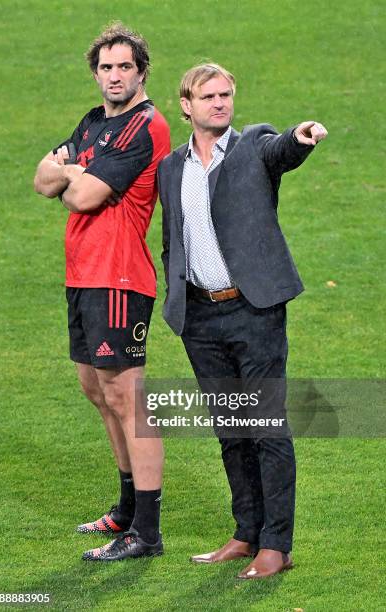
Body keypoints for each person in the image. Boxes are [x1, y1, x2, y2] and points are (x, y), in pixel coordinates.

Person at [158, 63, 327, 579]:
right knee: (231, 430)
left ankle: (278, 544)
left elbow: (283, 151)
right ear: (186, 105)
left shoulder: (254, 144)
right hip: (199, 316)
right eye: (208, 96)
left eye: (226, 94)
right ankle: (246, 533)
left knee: (266, 427)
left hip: (254, 311)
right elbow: (173, 238)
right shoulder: (171, 168)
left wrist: (300, 138)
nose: (220, 103)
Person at [34, 22, 170, 562]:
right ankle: (126, 509)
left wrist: (71, 168)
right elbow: (42, 180)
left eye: (124, 67)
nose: (114, 76)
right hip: (82, 274)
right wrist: (71, 170)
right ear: (96, 73)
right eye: (106, 68)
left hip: (118, 275)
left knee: (128, 399)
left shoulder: (145, 126)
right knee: (96, 389)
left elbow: (83, 196)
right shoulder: (94, 123)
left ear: (141, 73)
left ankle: (148, 533)